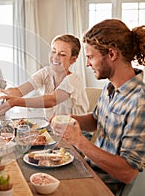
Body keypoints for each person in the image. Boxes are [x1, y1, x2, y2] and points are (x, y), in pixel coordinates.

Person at [52, 19, 145, 195]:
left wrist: (78, 140)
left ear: (111, 54)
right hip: (89, 170)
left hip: (103, 187)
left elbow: (128, 172)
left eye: (90, 57)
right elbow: (96, 120)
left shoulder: (140, 102)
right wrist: (69, 119)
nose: (87, 64)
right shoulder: (111, 87)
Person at [0, 34, 89, 119]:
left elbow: (51, 101)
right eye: (53, 51)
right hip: (55, 129)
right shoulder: (46, 72)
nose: (55, 57)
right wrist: (2, 94)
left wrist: (16, 102)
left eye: (62, 54)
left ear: (72, 59)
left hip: (76, 131)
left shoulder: (74, 80)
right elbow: (19, 91)